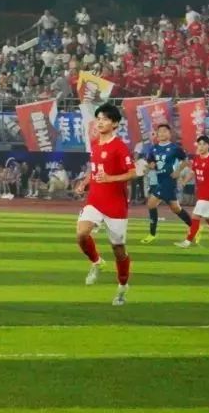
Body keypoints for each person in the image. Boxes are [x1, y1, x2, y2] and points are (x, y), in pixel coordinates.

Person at [74, 103, 137, 306]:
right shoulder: (95, 144)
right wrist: (85, 182)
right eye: (99, 118)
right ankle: (96, 261)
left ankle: (122, 287)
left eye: (106, 119)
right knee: (82, 234)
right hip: (95, 200)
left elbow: (133, 173)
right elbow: (95, 171)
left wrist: (110, 178)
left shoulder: (119, 147)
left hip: (116, 205)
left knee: (118, 249)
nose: (100, 122)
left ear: (115, 123)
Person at [140, 124, 195, 243]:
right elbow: (150, 161)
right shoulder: (153, 148)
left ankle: (152, 234)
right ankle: (194, 227)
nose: (162, 133)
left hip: (169, 180)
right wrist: (150, 165)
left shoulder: (175, 148)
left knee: (151, 203)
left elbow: (186, 161)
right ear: (157, 134)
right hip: (160, 180)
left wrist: (178, 171)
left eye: (165, 131)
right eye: (160, 131)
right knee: (176, 208)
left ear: (169, 134)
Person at [176, 135, 209, 250]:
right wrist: (184, 182)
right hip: (200, 194)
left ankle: (187, 241)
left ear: (208, 146)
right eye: (199, 144)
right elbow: (192, 172)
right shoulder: (197, 159)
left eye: (204, 144)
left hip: (207, 195)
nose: (201, 146)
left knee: (195, 217)